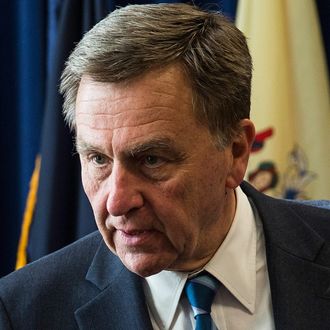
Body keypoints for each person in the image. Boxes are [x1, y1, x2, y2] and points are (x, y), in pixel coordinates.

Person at [1, 3, 330, 330]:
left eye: (151, 160)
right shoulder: (24, 312)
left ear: (236, 151)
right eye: (98, 159)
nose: (117, 201)